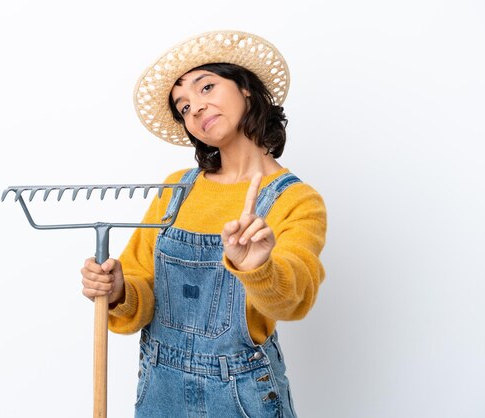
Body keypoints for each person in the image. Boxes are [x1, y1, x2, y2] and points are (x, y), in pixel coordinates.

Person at [81, 30, 327, 417]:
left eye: (207, 86)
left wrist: (257, 266)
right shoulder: (175, 189)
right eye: (183, 106)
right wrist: (117, 290)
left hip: (241, 395)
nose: (194, 108)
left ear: (246, 88)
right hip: (160, 389)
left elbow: (295, 300)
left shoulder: (295, 201)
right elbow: (140, 290)